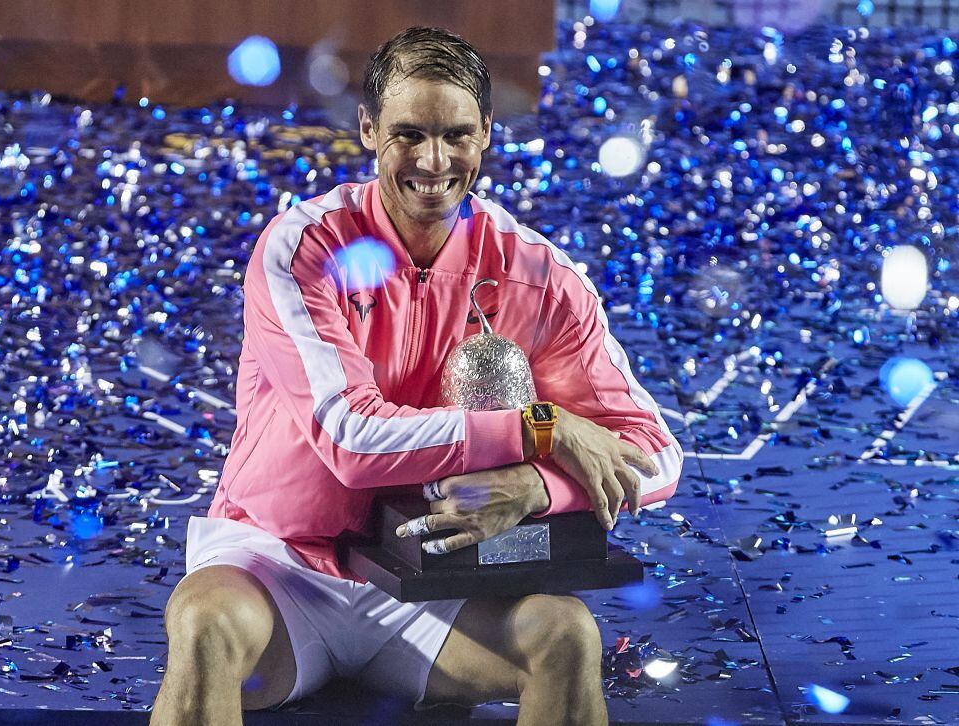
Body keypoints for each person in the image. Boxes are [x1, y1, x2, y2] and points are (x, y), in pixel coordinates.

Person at [150, 26, 682, 726]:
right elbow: (350, 438)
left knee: (567, 636)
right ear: (369, 130)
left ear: (487, 134)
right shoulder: (306, 249)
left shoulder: (537, 274)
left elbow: (657, 456)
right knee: (203, 625)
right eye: (409, 134)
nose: (434, 160)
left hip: (442, 579)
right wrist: (540, 430)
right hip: (282, 567)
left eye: (457, 135)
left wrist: (536, 486)